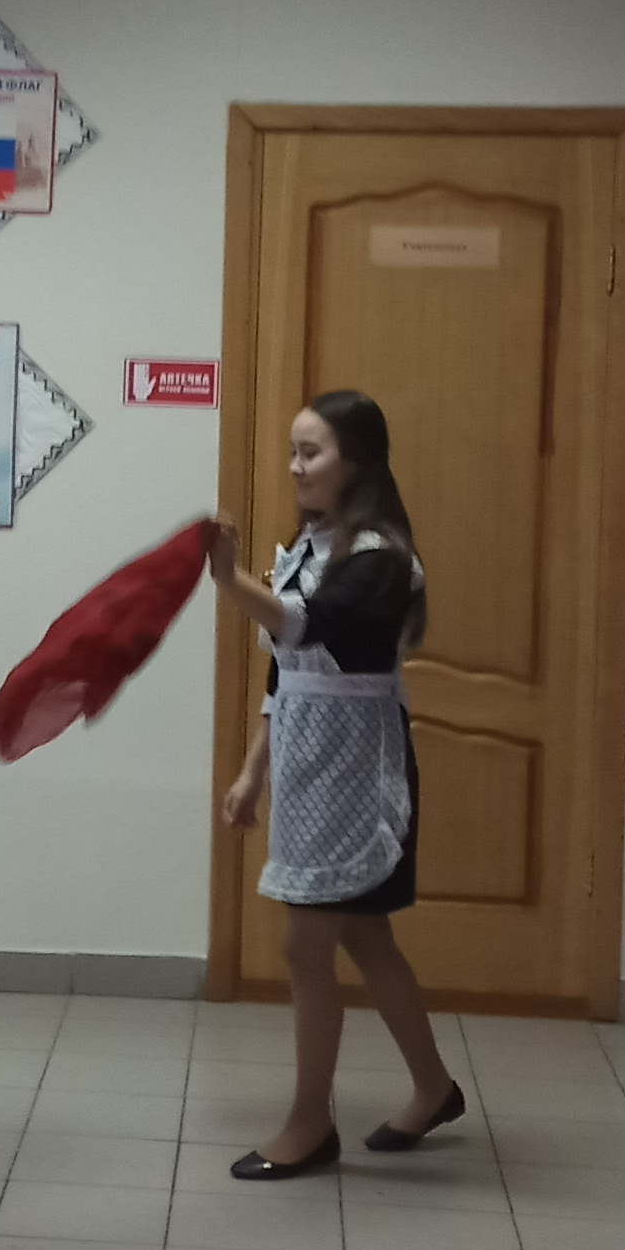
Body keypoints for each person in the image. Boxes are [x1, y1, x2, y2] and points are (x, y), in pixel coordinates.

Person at [203, 390, 463, 1180]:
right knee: (364, 936)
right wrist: (253, 770)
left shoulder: (382, 558)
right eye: (293, 451)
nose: (295, 467)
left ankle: (311, 1123)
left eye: (310, 452)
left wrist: (227, 578)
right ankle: (433, 1087)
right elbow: (289, 674)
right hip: (308, 762)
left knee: (306, 942)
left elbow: (305, 626)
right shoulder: (311, 548)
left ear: (357, 462)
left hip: (356, 769)